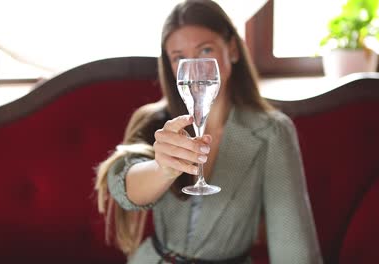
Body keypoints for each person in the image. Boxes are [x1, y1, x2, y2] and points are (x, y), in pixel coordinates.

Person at [95, 0, 323, 263]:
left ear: (233, 50)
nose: (194, 67)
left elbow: (292, 242)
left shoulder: (272, 130)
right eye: (179, 57)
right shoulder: (154, 120)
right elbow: (121, 185)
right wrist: (163, 169)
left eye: (205, 50)